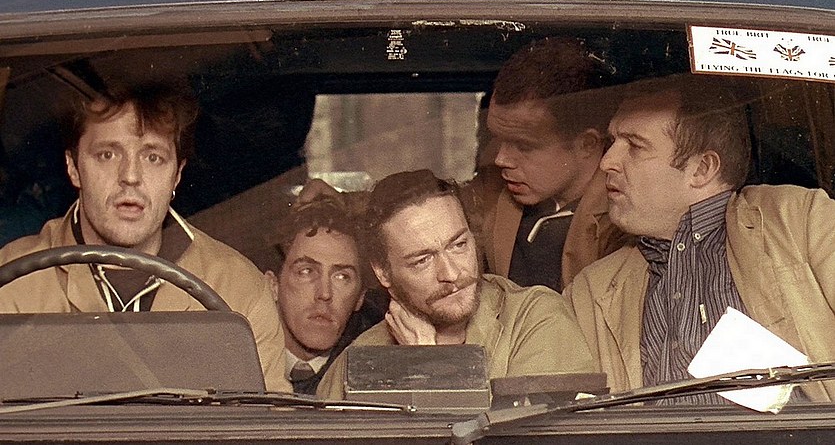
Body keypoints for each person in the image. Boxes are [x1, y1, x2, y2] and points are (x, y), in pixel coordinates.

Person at [0, 84, 289, 392]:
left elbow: (265, 415)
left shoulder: (238, 290)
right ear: (73, 167)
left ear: (177, 174)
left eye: (153, 157)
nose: (131, 176)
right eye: (107, 155)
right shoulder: (13, 281)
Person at [566, 75, 835, 403]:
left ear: (702, 169)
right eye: (612, 142)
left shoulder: (799, 223)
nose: (607, 162)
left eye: (634, 146)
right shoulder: (590, 292)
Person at [317, 169, 595, 399]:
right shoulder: (355, 362)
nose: (450, 273)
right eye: (422, 260)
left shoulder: (534, 318)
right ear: (383, 273)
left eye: (458, 245)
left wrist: (429, 363)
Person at [479, 37, 628, 292]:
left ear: (587, 144)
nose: (500, 159)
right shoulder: (488, 194)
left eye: (524, 146)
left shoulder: (622, 226)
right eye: (498, 139)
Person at [265, 193, 381, 394]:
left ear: (360, 298)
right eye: (306, 271)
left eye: (342, 277)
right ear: (273, 285)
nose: (325, 293)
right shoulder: (238, 359)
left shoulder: (376, 366)